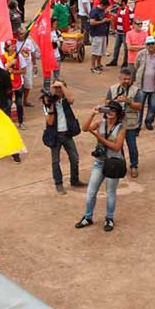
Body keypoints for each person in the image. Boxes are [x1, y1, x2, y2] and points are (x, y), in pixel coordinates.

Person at [75, 101, 126, 232]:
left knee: (110, 192)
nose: (110, 112)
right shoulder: (100, 123)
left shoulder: (121, 127)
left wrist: (99, 137)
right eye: (108, 110)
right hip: (100, 161)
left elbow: (116, 147)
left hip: (113, 162)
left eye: (113, 110)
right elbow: (85, 128)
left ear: (118, 113)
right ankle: (88, 217)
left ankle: (109, 218)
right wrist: (93, 114)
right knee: (91, 192)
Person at [42, 81, 85, 194]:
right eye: (56, 88)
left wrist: (61, 85)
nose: (58, 90)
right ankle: (58, 183)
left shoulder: (66, 100)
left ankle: (74, 180)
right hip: (55, 135)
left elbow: (71, 100)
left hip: (67, 133)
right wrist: (51, 105)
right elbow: (50, 122)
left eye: (60, 88)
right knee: (55, 161)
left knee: (74, 158)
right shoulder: (48, 101)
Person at [106, 67, 143, 178]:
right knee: (117, 146)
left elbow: (139, 106)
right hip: (116, 124)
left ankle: (134, 166)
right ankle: (120, 165)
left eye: (128, 79)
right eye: (124, 79)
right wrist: (115, 101)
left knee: (132, 146)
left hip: (130, 124)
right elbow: (106, 102)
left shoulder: (135, 90)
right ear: (119, 78)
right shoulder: (112, 89)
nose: (127, 81)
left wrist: (129, 102)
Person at [134, 36, 155, 131]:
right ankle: (138, 125)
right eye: (148, 44)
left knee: (153, 106)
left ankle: (149, 122)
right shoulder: (140, 54)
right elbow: (137, 66)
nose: (151, 46)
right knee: (139, 106)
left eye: (152, 43)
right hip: (142, 86)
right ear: (146, 45)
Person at [4, 40, 27, 132]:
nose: (13, 47)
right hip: (8, 84)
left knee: (19, 104)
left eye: (14, 46)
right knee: (8, 104)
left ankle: (21, 122)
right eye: (11, 46)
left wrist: (14, 71)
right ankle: (8, 124)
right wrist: (10, 64)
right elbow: (2, 70)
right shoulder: (2, 57)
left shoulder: (19, 57)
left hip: (18, 83)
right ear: (7, 48)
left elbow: (24, 71)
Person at [87, 0, 111, 73]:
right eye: (106, 7)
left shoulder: (102, 10)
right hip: (96, 35)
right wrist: (102, 21)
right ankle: (92, 67)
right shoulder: (94, 11)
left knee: (100, 51)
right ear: (103, 5)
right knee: (95, 52)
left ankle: (98, 64)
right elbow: (92, 22)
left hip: (102, 34)